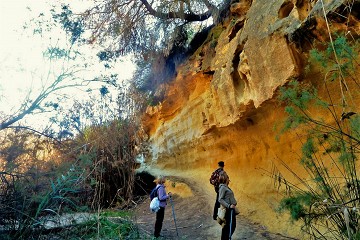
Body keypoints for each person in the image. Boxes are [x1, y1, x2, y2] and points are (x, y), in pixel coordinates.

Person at [218, 173, 237, 240]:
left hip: (230, 210)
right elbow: (220, 199)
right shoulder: (223, 187)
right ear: (225, 179)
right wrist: (229, 206)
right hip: (228, 210)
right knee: (229, 227)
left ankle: (225, 238)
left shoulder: (225, 187)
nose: (229, 180)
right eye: (228, 179)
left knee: (229, 227)